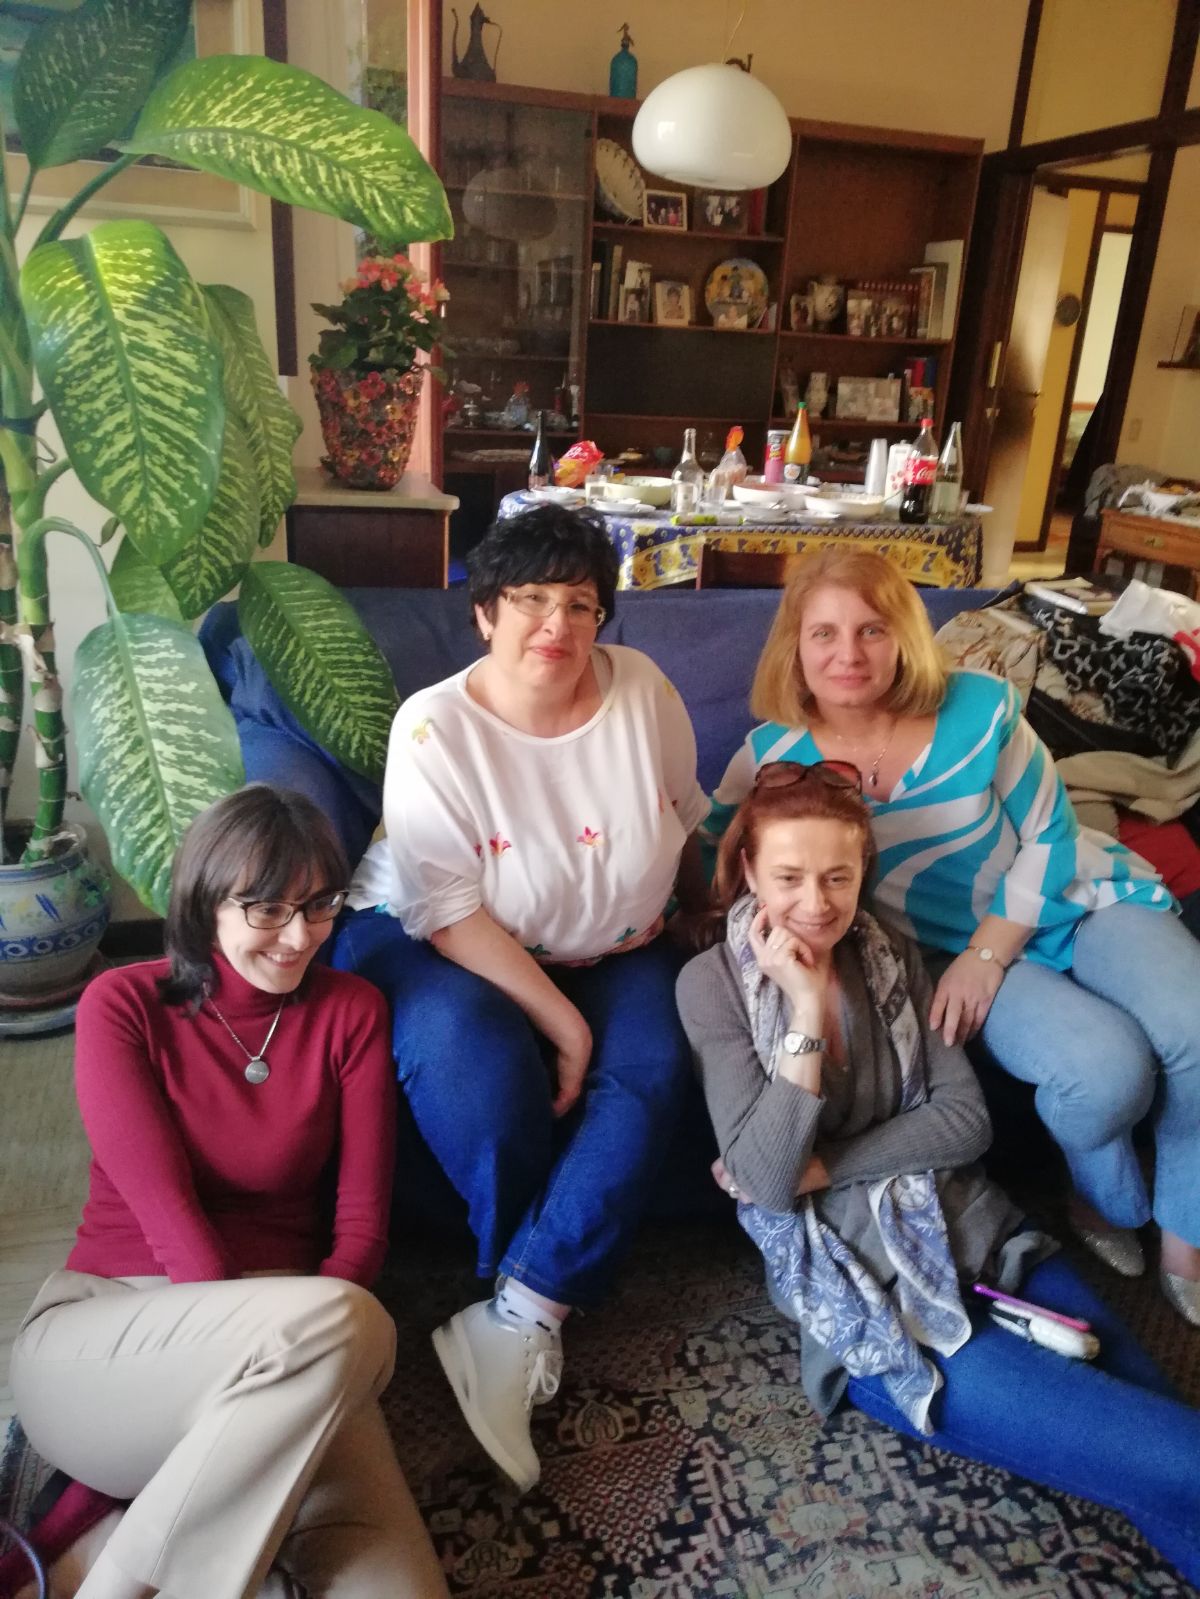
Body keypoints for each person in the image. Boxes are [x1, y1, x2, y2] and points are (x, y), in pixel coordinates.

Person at [678, 762, 1200, 1586]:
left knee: (1164, 1432)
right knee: (1182, 1460)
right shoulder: (709, 986)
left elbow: (964, 1121)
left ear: (862, 871)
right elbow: (772, 1179)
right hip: (874, 1303)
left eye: (837, 876)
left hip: (986, 1232)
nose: (816, 902)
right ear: (748, 868)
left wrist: (828, 1165)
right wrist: (805, 1008)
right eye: (788, 876)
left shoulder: (892, 952)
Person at [706, 547, 1200, 1324]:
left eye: (872, 629)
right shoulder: (771, 757)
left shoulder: (983, 706)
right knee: (1103, 1073)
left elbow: (1050, 833)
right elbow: (715, 849)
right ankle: (1102, 1199)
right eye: (824, 632)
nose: (848, 653)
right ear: (794, 646)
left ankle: (1187, 1233)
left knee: (1194, 1023)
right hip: (942, 948)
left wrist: (988, 953)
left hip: (1077, 896)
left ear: (903, 635)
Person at [334, 505, 709, 1492]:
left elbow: (684, 819)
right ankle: (523, 1272)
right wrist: (564, 1022)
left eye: (580, 603)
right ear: (486, 613)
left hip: (618, 941)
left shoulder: (644, 691)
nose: (556, 624)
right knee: (481, 1069)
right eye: (531, 598)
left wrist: (708, 915)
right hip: (441, 937)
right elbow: (448, 909)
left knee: (656, 1066)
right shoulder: (435, 726)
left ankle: (519, 1315)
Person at [10, 786, 448, 1599]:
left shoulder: (352, 1012)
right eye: (268, 908)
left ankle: (123, 1551)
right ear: (205, 901)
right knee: (356, 1322)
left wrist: (308, 1367)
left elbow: (360, 1226)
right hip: (110, 1337)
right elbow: (173, 1223)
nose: (300, 935)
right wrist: (298, 1350)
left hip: (301, 1346)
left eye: (319, 905)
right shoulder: (123, 1003)